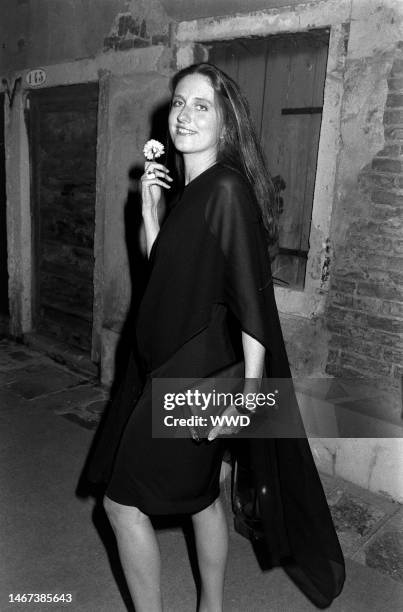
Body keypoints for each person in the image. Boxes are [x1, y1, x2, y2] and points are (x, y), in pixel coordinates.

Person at [93, 62, 345, 612]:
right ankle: (212, 606)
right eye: (178, 104)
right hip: (175, 361)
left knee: (120, 505)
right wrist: (150, 210)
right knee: (202, 497)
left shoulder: (226, 188)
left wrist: (249, 399)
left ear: (225, 120)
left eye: (200, 105)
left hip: (193, 370)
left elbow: (254, 302)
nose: (184, 115)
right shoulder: (194, 190)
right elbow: (159, 268)